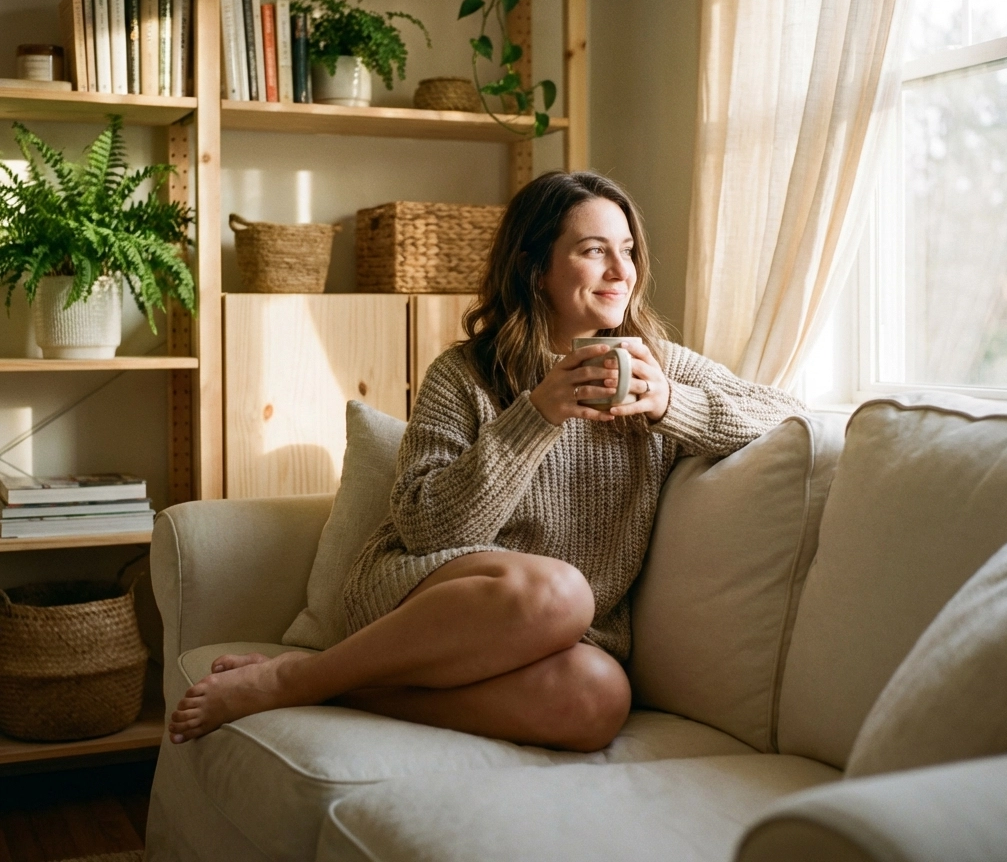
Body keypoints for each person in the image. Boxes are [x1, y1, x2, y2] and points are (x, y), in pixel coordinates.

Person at [169, 170, 802, 751]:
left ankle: (336, 685)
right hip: (424, 599)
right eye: (593, 250)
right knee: (559, 588)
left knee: (600, 699)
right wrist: (536, 416)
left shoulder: (654, 365)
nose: (620, 271)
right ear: (536, 268)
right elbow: (427, 528)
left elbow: (786, 414)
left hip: (559, 635)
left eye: (628, 250)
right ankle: (290, 682)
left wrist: (670, 405)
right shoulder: (466, 372)